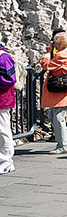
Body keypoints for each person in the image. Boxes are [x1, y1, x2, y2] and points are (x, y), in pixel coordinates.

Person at [40, 31, 67, 155]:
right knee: (55, 115)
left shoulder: (62, 55)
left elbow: (46, 65)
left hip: (61, 89)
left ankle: (63, 145)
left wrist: (47, 53)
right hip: (65, 86)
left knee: (58, 117)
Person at [0, 40, 17, 173]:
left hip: (2, 99)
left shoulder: (4, 57)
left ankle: (6, 160)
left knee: (3, 129)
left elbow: (10, 78)